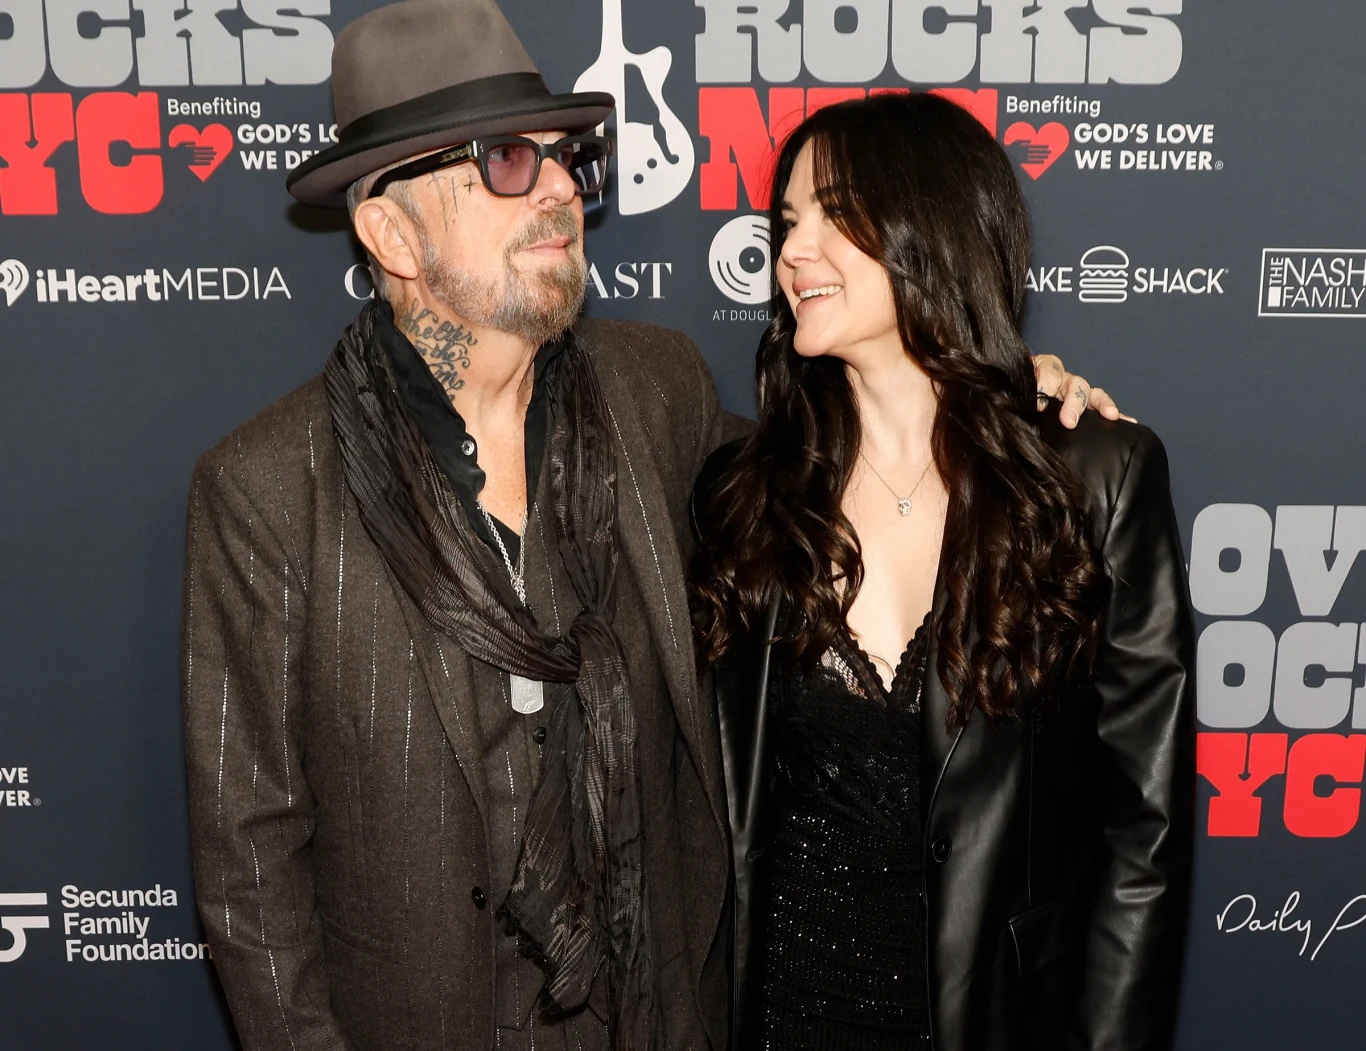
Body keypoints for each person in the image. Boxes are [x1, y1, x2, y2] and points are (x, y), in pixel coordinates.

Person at [180, 2, 1124, 1048]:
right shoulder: (268, 489)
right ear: (391, 233)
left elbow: (852, 460)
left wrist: (1007, 396)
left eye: (566, 158)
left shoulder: (653, 391)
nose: (557, 189)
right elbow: (250, 869)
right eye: (505, 161)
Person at [690, 91, 1195, 1051]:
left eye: (835, 214)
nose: (793, 252)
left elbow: (1146, 830)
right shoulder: (743, 495)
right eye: (787, 222)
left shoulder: (1090, 479)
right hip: (791, 1020)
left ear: (936, 229)